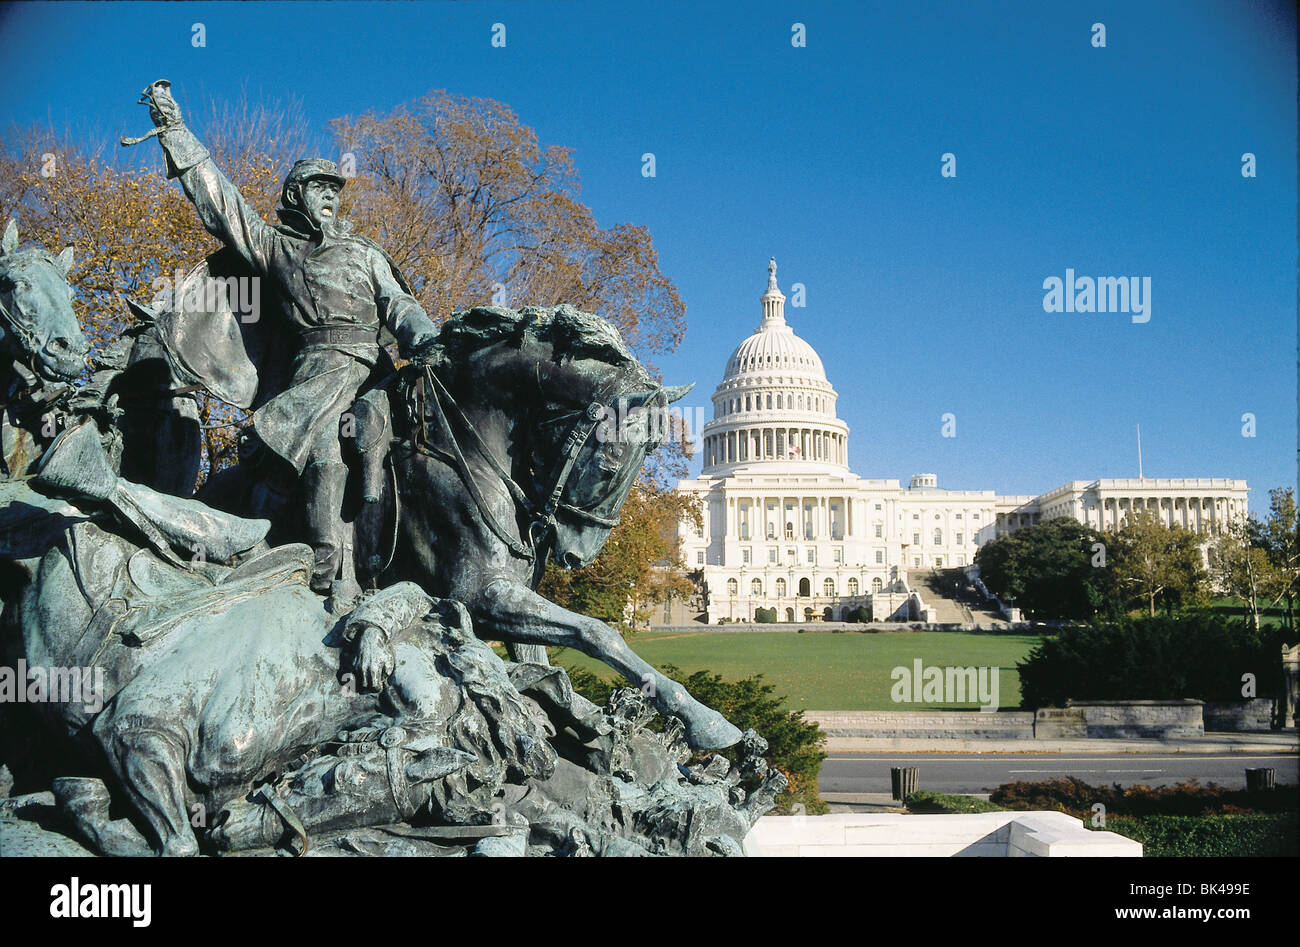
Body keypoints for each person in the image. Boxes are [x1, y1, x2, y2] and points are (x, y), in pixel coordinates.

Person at [140, 80, 439, 602]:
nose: (330, 194)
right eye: (319, 186)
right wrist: (175, 131)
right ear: (295, 195)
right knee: (326, 453)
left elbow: (400, 305)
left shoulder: (365, 253)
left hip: (373, 373)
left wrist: (430, 340)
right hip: (313, 380)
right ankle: (328, 574)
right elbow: (222, 204)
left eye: (335, 188)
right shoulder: (276, 248)